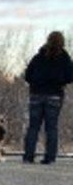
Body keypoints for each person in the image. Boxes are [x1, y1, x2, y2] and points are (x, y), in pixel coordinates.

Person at [23, 31, 73, 164]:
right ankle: (50, 157)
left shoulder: (38, 57)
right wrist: (59, 82)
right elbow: (70, 77)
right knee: (51, 127)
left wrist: (36, 83)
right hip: (55, 96)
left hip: (36, 95)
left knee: (33, 127)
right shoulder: (64, 58)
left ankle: (28, 156)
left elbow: (27, 75)